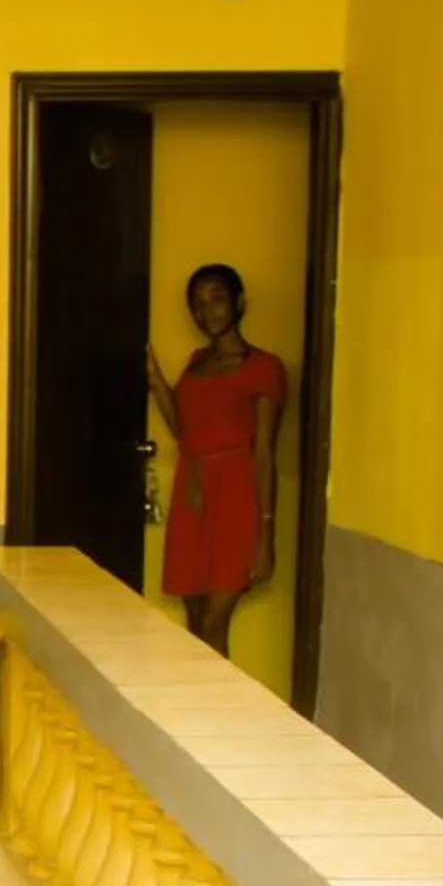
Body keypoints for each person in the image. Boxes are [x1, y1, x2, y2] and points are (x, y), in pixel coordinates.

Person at [145, 262, 286, 656]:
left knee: (213, 622)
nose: (208, 312)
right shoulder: (195, 362)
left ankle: (218, 716)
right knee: (193, 624)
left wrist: (265, 535)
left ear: (239, 303)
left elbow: (264, 452)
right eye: (198, 304)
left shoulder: (263, 367)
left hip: (237, 497)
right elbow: (186, 432)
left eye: (217, 299)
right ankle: (195, 714)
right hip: (192, 495)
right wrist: (157, 382)